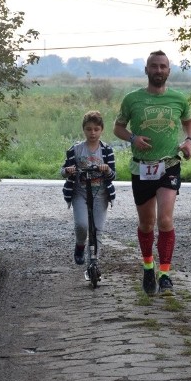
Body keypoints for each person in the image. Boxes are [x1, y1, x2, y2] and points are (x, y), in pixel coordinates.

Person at [114, 50, 191, 295]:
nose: (159, 70)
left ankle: (165, 273)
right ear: (146, 70)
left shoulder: (179, 99)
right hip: (141, 167)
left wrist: (189, 140)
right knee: (147, 224)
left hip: (169, 165)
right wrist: (132, 138)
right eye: (154, 66)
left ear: (169, 71)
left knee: (165, 220)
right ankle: (148, 267)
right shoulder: (132, 99)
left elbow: (189, 122)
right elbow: (118, 127)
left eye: (163, 66)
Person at [60, 111, 116, 272]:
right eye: (89, 129)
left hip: (101, 194)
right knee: (82, 225)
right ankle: (79, 245)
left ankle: (94, 261)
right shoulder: (76, 150)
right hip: (80, 193)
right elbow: (63, 171)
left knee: (98, 229)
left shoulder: (106, 151)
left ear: (101, 130)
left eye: (96, 129)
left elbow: (113, 175)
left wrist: (106, 170)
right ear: (83, 130)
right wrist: (68, 170)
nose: (93, 133)